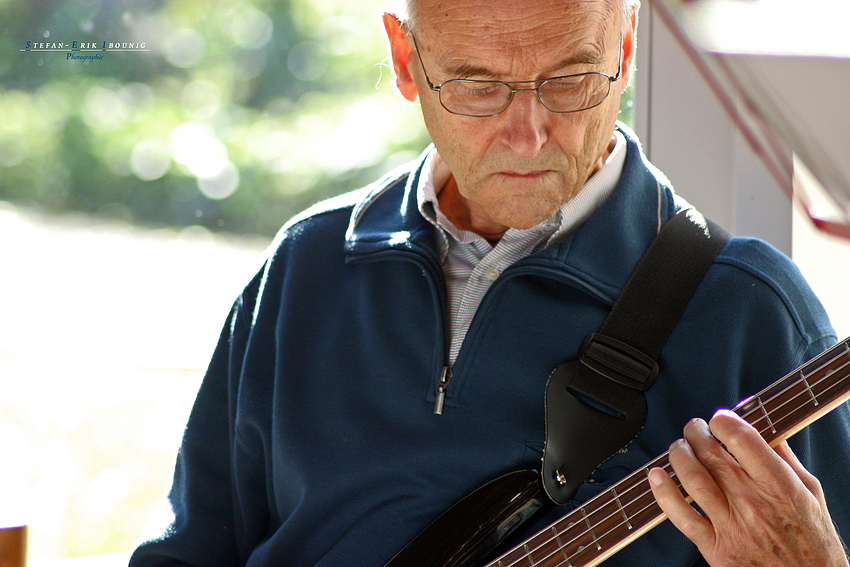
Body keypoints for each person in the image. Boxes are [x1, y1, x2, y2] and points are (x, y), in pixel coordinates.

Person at [129, 0, 850, 565]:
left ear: (625, 50)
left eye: (569, 79)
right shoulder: (306, 267)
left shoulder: (751, 311)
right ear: (406, 61)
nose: (527, 134)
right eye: (478, 87)